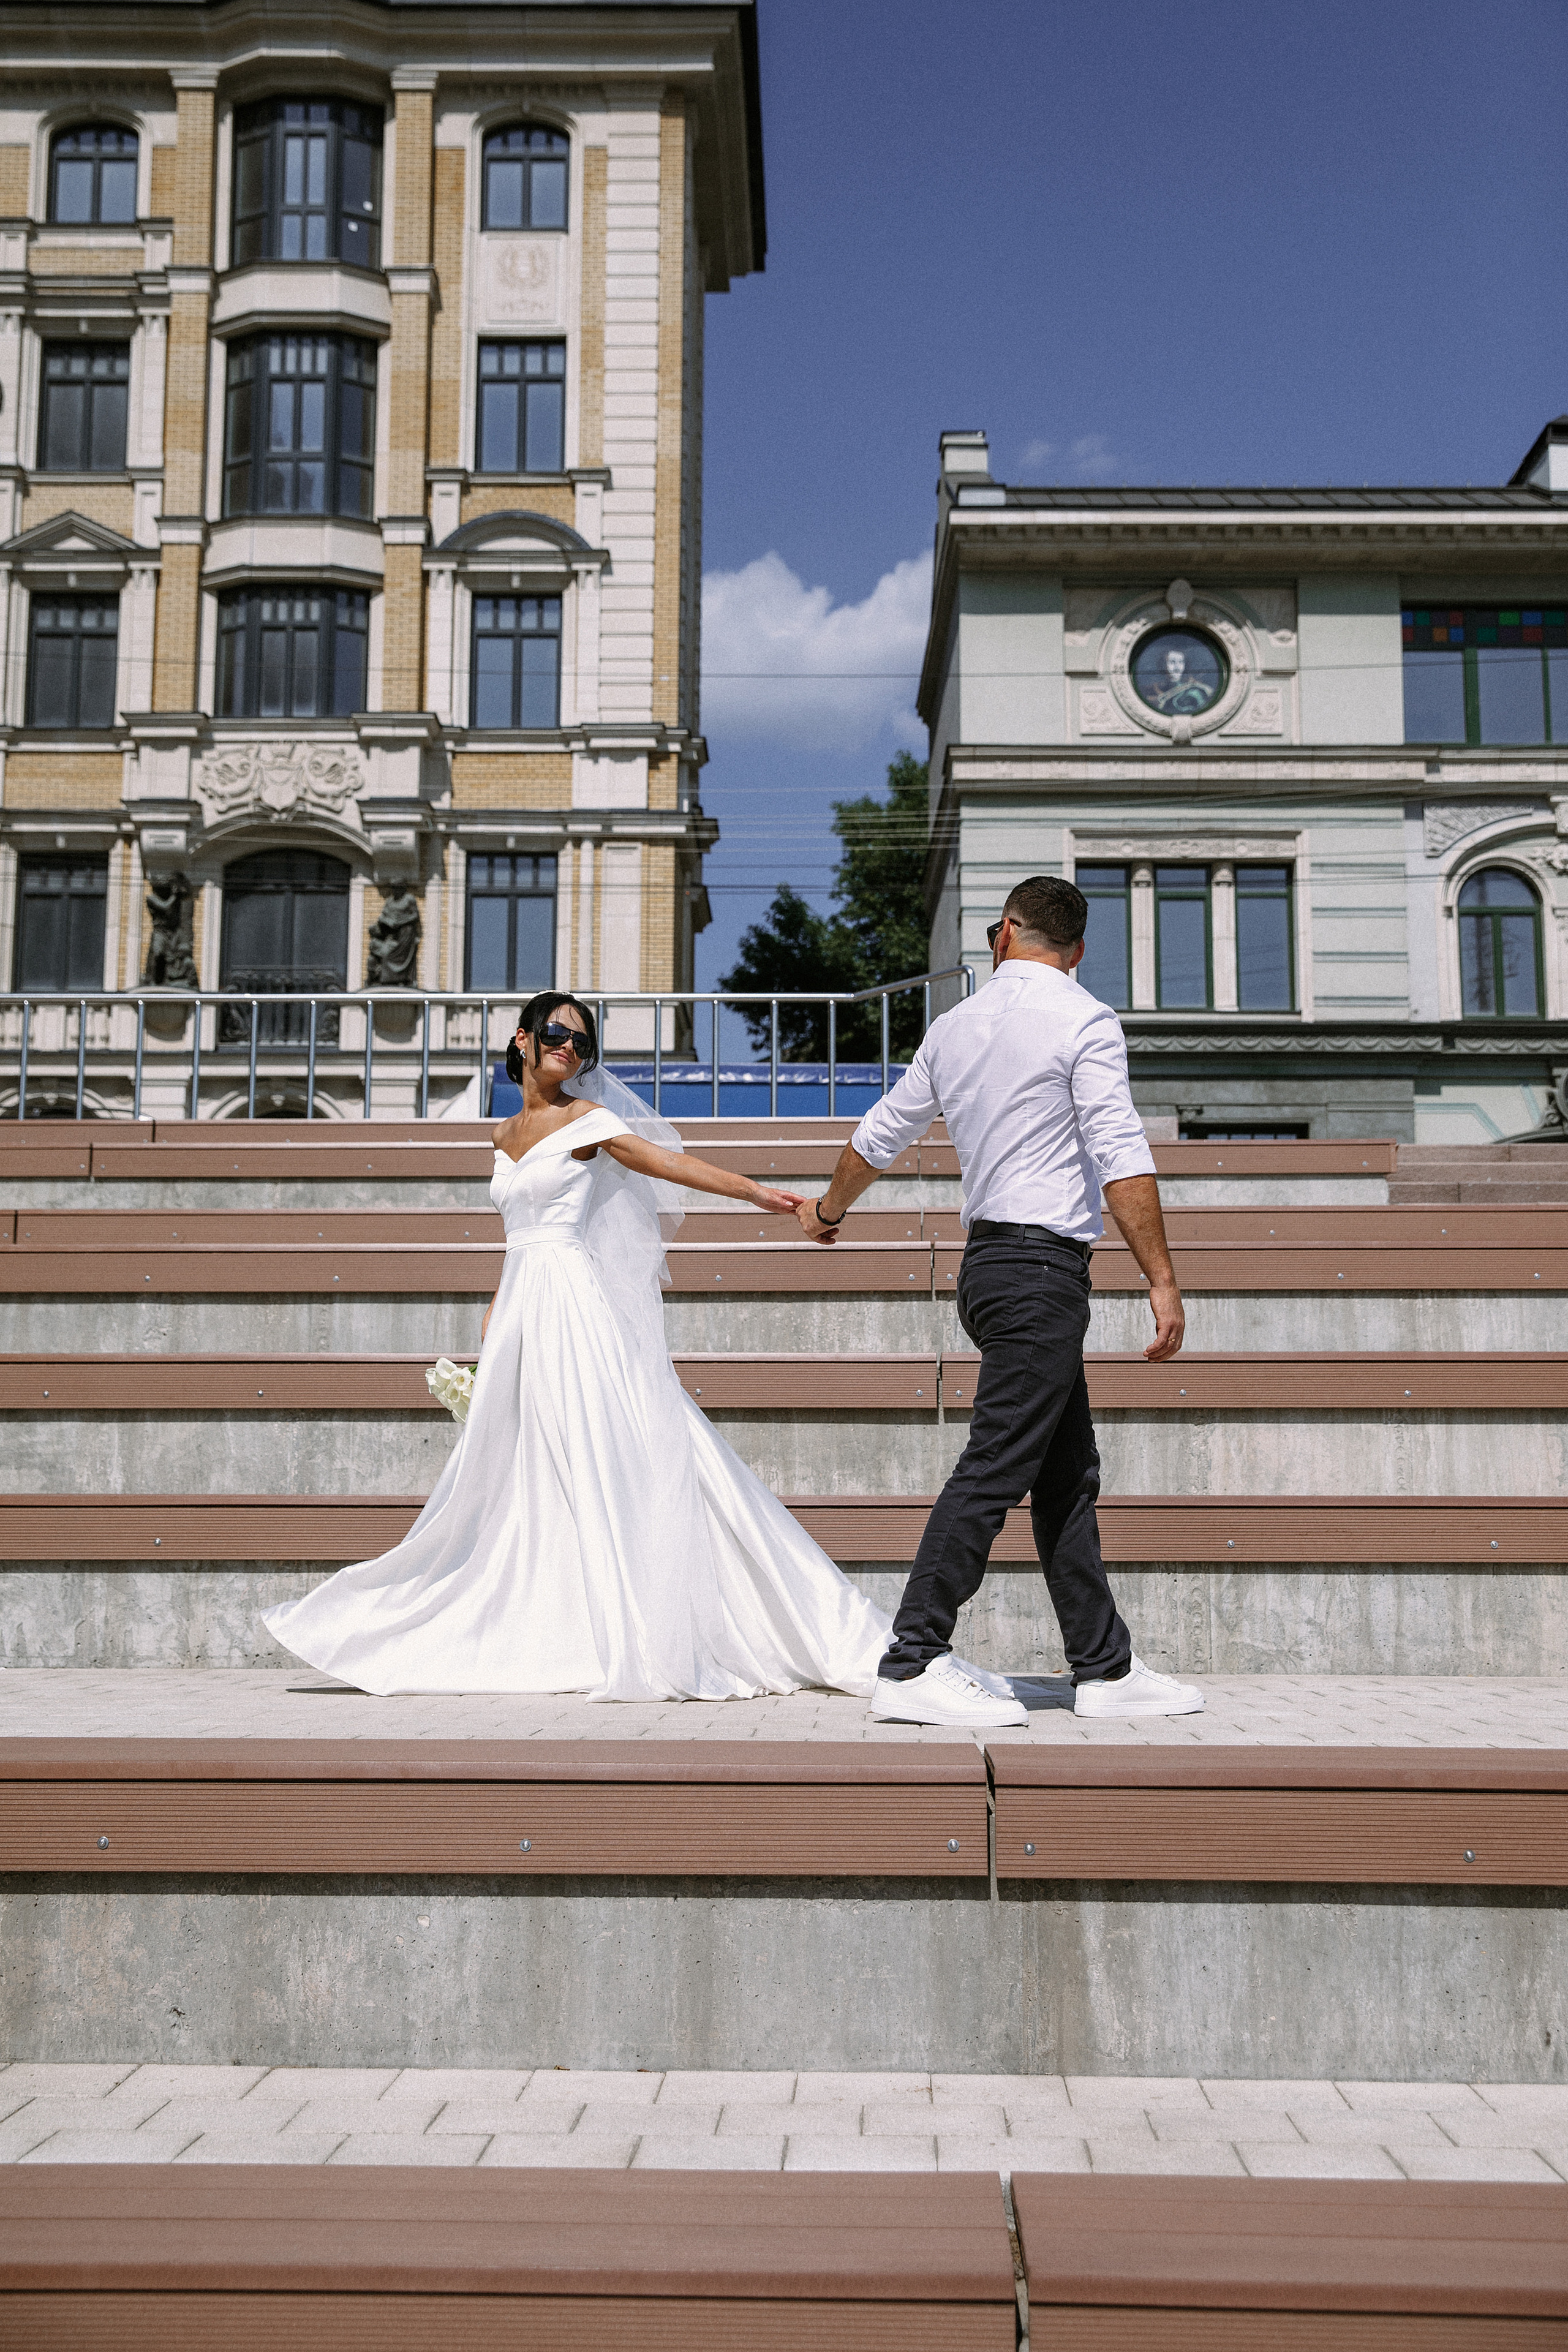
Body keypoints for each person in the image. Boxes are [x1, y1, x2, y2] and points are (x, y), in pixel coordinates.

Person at [262, 990, 913, 1701]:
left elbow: (668, 1165)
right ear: (521, 1040)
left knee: (613, 1449)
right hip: (520, 1310)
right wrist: (494, 1313)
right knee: (526, 1469)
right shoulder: (502, 1135)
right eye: (554, 1033)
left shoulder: (589, 1121)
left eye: (580, 1040)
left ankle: (672, 1616)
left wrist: (762, 1197)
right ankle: (545, 1614)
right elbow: (519, 1237)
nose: (568, 1047)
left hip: (574, 1304)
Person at [794, 874, 1204, 1730]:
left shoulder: (955, 1025)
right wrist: (1162, 1278)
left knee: (1065, 1474)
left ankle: (1105, 1668)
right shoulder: (1084, 1018)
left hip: (989, 1273)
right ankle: (912, 1659)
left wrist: (828, 1213)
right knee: (997, 1464)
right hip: (1042, 1275)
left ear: (1004, 935)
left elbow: (877, 1137)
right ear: (1078, 951)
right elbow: (1121, 1155)